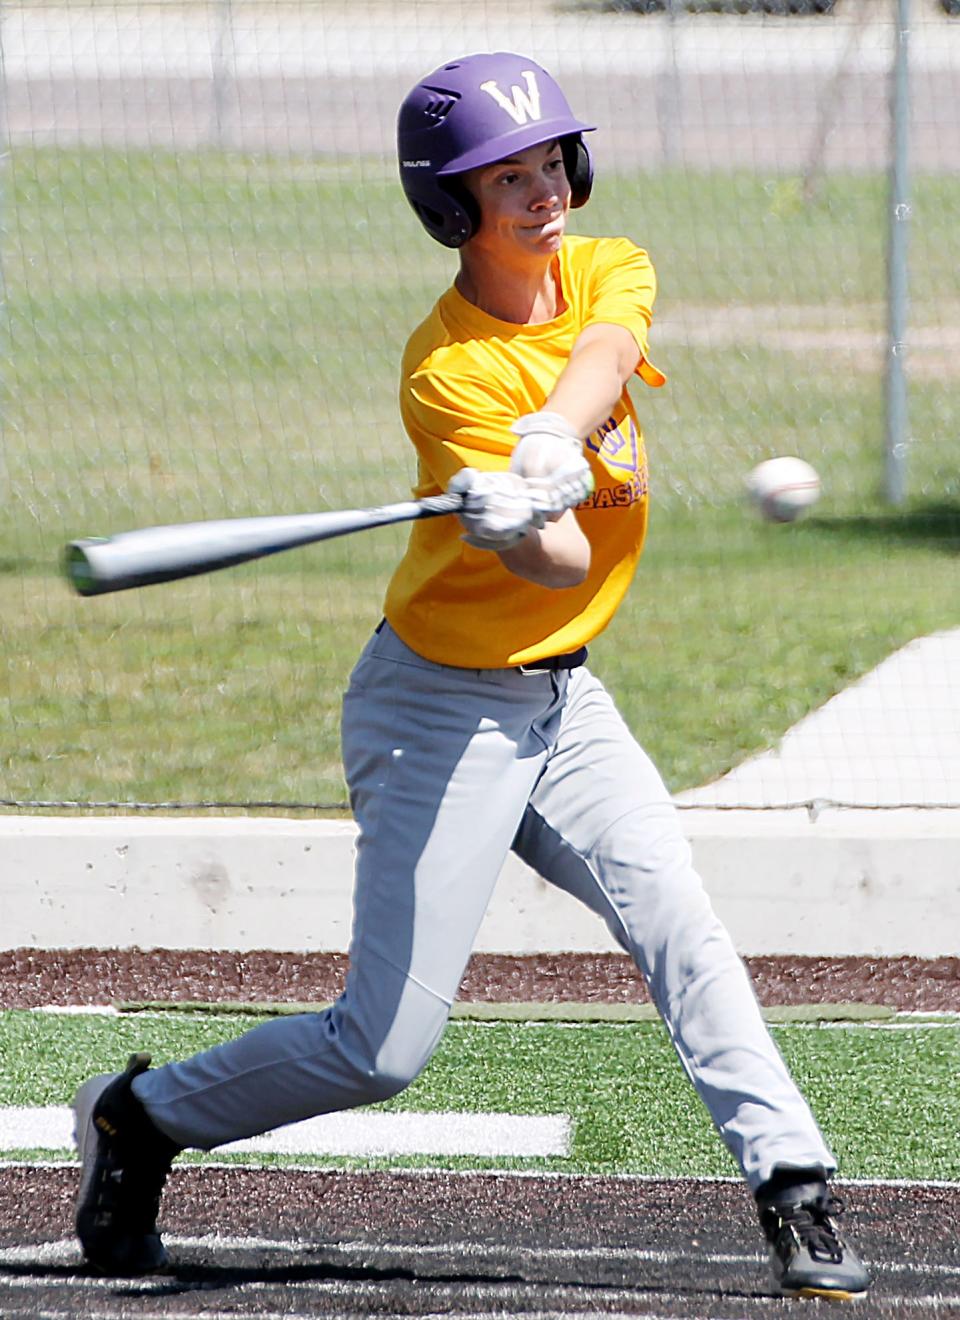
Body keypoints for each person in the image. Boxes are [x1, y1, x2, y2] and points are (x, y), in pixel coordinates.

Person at [72, 52, 869, 1302]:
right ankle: (143, 1116)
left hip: (565, 701)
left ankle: (794, 1184)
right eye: (508, 175)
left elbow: (605, 348)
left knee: (682, 925)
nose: (544, 189)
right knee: (382, 1047)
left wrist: (551, 436)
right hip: (439, 708)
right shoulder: (444, 371)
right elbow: (556, 560)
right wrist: (511, 517)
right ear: (453, 206)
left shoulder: (608, 266)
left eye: (553, 160)